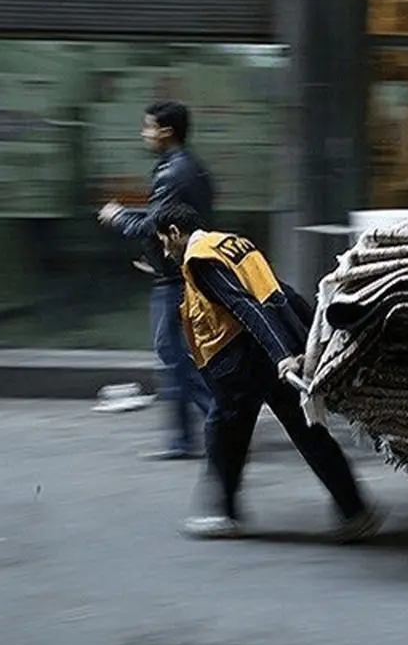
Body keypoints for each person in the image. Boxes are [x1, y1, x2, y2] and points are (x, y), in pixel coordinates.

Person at [152, 201, 385, 541]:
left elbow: (245, 306)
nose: (165, 250)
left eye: (163, 241)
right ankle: (356, 510)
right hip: (265, 353)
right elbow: (278, 292)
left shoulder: (200, 258)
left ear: (175, 232)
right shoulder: (229, 242)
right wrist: (303, 342)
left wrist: (282, 356)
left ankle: (224, 513)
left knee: (222, 432)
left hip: (246, 360)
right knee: (305, 430)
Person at [98, 100, 215, 460]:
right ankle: (211, 427)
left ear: (166, 131)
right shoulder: (189, 167)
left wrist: (118, 216)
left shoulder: (173, 172)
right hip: (180, 271)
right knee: (182, 358)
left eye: (148, 127)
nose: (144, 133)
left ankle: (210, 427)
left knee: (175, 358)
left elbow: (154, 223)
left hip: (177, 279)